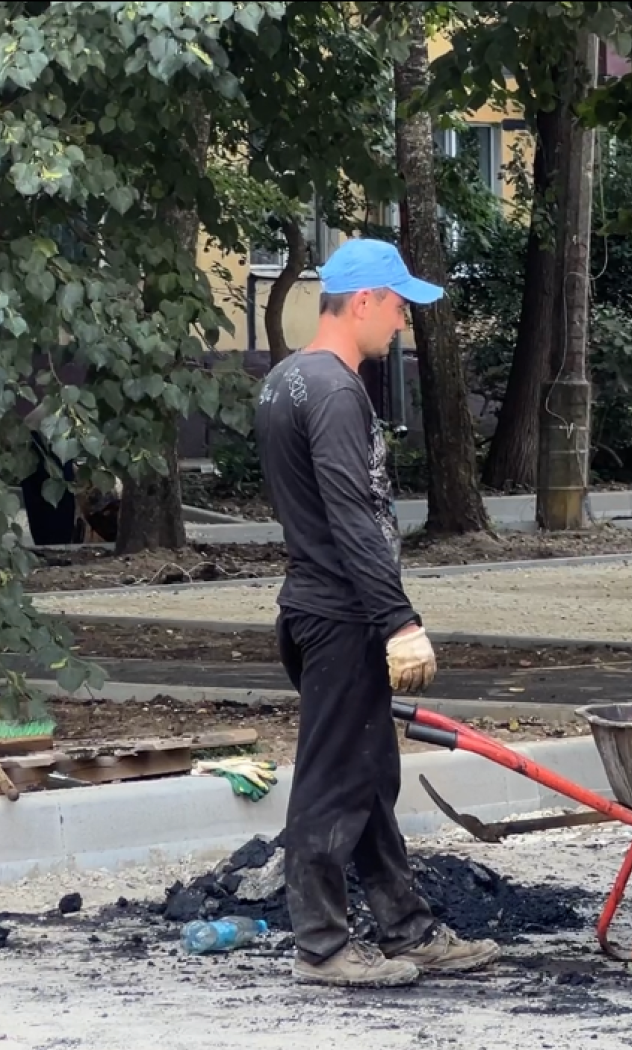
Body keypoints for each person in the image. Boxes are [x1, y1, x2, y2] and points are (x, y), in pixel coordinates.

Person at [256, 238, 500, 989]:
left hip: (316, 608)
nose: (400, 323)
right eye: (397, 307)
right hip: (344, 615)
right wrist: (398, 618)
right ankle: (323, 949)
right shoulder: (334, 389)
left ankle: (406, 927)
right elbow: (352, 514)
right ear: (363, 301)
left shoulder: (285, 380)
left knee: (367, 778)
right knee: (335, 782)